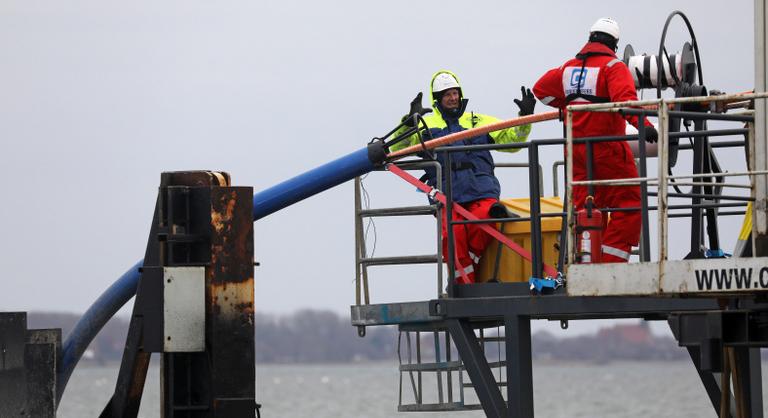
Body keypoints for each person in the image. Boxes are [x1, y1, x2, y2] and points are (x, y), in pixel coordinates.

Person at [390, 70, 534, 283]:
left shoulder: (477, 120)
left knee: (487, 218)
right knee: (453, 238)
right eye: (447, 94)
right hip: (448, 196)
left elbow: (512, 139)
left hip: (482, 190)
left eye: (455, 92)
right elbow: (394, 148)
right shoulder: (425, 125)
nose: (453, 97)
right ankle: (463, 288)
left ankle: (469, 277)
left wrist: (525, 118)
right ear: (438, 98)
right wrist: (409, 123)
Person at [533, 17, 657, 263]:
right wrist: (644, 126)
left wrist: (566, 106)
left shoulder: (568, 69)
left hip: (576, 154)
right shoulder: (613, 67)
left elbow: (541, 90)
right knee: (629, 206)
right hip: (607, 150)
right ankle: (610, 266)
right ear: (614, 44)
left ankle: (586, 264)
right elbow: (626, 102)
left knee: (585, 210)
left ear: (590, 38)